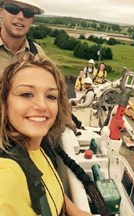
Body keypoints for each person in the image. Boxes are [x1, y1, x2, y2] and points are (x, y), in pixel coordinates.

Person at [0, 52, 93, 216]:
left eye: (51, 96)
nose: (42, 105)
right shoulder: (7, 176)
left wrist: (76, 211)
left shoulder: (40, 145)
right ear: (5, 105)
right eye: (26, 94)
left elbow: (47, 188)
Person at [0, 0, 45, 74]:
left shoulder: (37, 53)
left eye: (28, 13)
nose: (21, 17)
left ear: (32, 19)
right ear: (1, 12)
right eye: (13, 9)